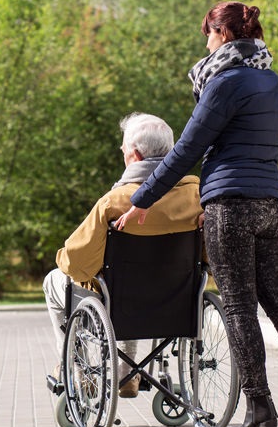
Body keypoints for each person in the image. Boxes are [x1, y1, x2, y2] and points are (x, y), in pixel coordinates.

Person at [115, 1, 278, 427]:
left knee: (239, 306)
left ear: (221, 35)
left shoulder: (224, 83)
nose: (205, 43)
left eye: (207, 34)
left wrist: (142, 199)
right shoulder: (273, 82)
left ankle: (260, 408)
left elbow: (186, 150)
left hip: (229, 206)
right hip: (269, 203)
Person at [43, 112, 202, 398]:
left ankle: (76, 370)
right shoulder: (197, 196)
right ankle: (127, 374)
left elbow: (77, 262)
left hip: (121, 302)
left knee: (56, 280)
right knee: (129, 286)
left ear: (135, 156)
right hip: (177, 302)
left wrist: (63, 258)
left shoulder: (115, 202)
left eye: (124, 151)